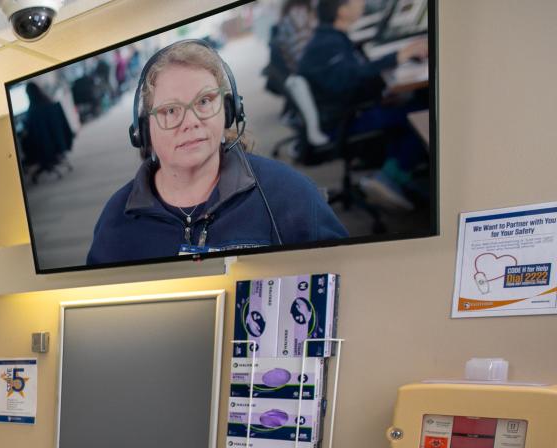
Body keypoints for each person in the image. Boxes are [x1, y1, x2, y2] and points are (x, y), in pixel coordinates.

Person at [86, 39, 347, 266]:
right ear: (143, 132)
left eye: (204, 101)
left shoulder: (289, 194)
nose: (191, 122)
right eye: (170, 111)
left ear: (229, 111)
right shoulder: (116, 219)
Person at [298, 0, 429, 211]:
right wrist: (399, 56)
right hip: (340, 121)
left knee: (411, 102)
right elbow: (351, 78)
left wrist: (381, 93)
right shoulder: (328, 44)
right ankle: (391, 176)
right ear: (342, 10)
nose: (362, 3)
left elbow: (347, 79)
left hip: (340, 111)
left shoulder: (328, 37)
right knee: (417, 112)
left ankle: (399, 172)